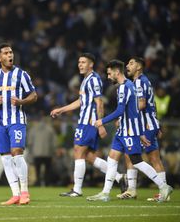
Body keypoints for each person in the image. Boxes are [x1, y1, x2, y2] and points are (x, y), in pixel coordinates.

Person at [86, 59, 173, 202]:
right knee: (112, 158)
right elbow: (133, 111)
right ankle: (105, 193)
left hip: (129, 131)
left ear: (116, 72)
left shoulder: (125, 87)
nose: (108, 77)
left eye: (109, 74)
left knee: (136, 161)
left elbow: (120, 111)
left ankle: (163, 186)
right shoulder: (129, 85)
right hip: (123, 131)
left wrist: (102, 121)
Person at [50, 53, 125, 197]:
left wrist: (101, 124)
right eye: (79, 62)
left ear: (91, 64)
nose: (80, 64)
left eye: (83, 62)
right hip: (85, 121)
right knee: (89, 157)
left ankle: (77, 189)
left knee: (78, 150)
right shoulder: (85, 80)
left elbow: (99, 102)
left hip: (90, 122)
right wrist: (62, 109)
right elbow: (81, 102)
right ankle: (119, 177)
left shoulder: (94, 79)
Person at [0, 43, 37, 205]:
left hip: (17, 121)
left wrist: (22, 100)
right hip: (0, 122)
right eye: (6, 53)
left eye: (11, 52)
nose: (10, 55)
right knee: (5, 158)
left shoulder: (22, 75)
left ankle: (25, 192)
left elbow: (34, 95)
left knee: (17, 152)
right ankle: (15, 194)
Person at [117, 56, 168, 201]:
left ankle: (132, 189)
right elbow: (152, 104)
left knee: (130, 154)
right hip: (150, 124)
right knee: (154, 158)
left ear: (139, 67)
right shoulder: (144, 81)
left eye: (131, 63)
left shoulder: (139, 82)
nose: (127, 65)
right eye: (127, 63)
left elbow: (142, 104)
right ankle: (163, 192)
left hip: (144, 126)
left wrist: (123, 115)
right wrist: (156, 124)